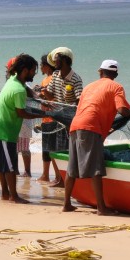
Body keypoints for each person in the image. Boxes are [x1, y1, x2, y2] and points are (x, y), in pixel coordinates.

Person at [62, 59, 130, 215]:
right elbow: (122, 110)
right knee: (97, 168)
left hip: (75, 125)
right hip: (90, 127)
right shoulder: (117, 86)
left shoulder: (89, 87)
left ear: (100, 72)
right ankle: (101, 208)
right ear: (116, 73)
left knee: (72, 168)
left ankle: (66, 205)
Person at [0, 54, 42, 203]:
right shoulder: (19, 90)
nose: (34, 73)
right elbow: (22, 113)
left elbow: (26, 87)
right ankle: (13, 196)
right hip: (5, 131)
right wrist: (42, 113)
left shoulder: (13, 79)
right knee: (10, 165)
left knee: (1, 164)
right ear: (25, 70)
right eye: (33, 71)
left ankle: (5, 193)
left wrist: (36, 95)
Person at [40, 46, 83, 186]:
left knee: (65, 150)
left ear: (65, 60)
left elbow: (79, 101)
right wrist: (43, 92)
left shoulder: (76, 79)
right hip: (56, 118)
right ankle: (60, 179)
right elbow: (51, 95)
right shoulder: (56, 76)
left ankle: (66, 180)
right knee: (56, 150)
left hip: (69, 121)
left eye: (57, 60)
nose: (54, 63)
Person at [35, 54, 62, 185]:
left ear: (46, 66)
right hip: (47, 118)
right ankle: (46, 175)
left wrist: (40, 93)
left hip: (52, 118)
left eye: (41, 65)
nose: (40, 68)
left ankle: (58, 177)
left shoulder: (51, 79)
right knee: (47, 149)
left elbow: (51, 98)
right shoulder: (48, 79)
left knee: (51, 149)